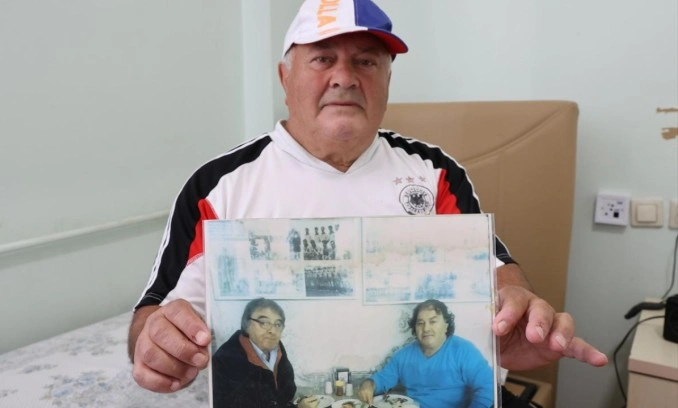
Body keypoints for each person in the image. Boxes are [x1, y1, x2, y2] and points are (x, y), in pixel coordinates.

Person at [128, 0, 608, 396]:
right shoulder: (219, 185)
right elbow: (150, 315)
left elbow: (498, 271)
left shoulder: (435, 172)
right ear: (285, 78)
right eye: (322, 58)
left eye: (366, 60)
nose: (345, 76)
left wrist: (515, 311)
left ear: (386, 80)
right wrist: (154, 343)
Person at [358, 299, 493, 408]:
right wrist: (369, 385)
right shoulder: (404, 355)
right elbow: (382, 379)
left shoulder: (464, 351)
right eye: (420, 323)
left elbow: (488, 387)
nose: (426, 328)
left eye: (433, 321)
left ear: (446, 324)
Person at [212, 298, 317, 408]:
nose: (272, 331)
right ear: (246, 324)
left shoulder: (277, 349)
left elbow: (286, 392)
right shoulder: (225, 361)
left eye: (278, 324)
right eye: (264, 323)